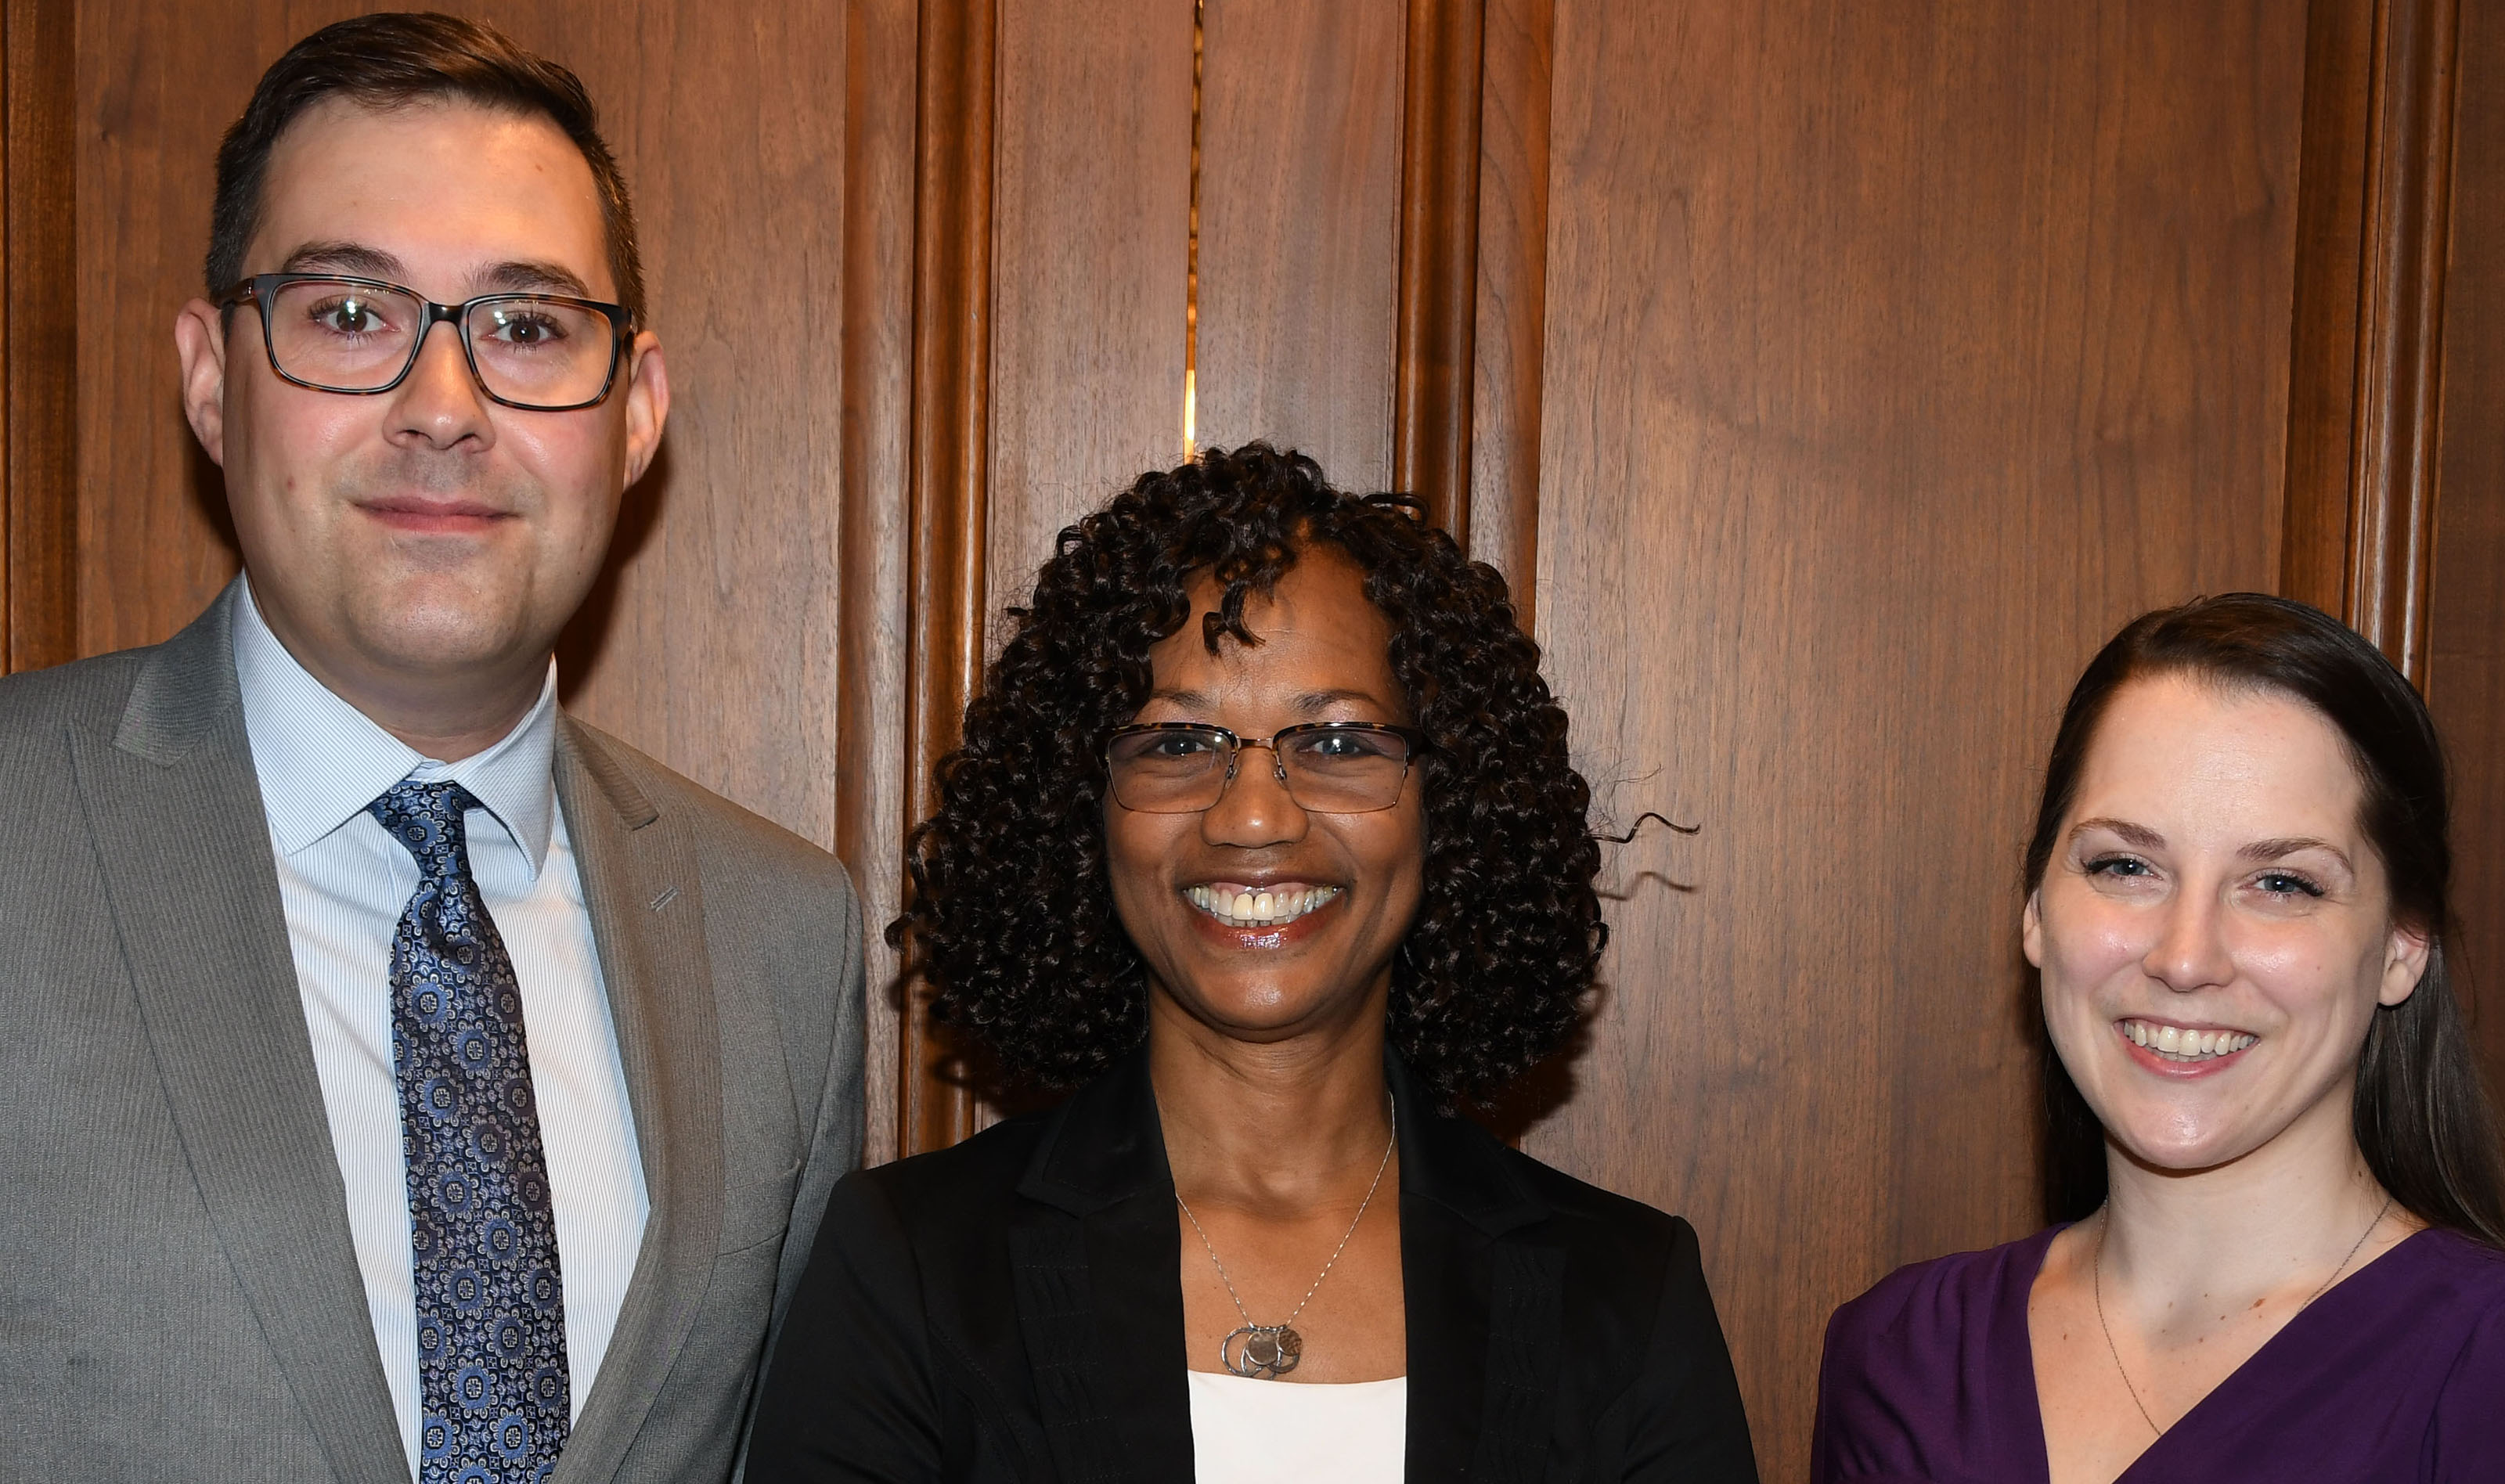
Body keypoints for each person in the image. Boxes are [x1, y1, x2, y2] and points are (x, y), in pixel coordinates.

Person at [0, 15, 863, 1482]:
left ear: (635, 412)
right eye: (350, 314)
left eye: (527, 326)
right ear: (213, 379)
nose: (444, 409)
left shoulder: (787, 938)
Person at [744, 445, 1757, 1482]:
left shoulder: (1627, 1296)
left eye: (1341, 743)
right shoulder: (914, 1270)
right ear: (1078, 811)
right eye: (1180, 745)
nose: (1256, 817)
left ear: (1446, 809)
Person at [1811, 594, 2505, 1482]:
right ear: (2033, 909)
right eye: (2125, 866)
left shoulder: (2480, 1365)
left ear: (2401, 951)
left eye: (2281, 884)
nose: (2184, 958)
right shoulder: (1898, 1353)